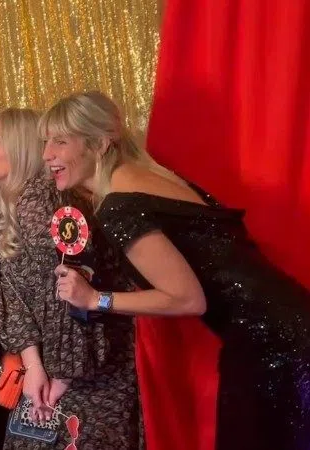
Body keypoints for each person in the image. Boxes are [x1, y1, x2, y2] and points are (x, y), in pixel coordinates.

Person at [42, 91, 310, 449]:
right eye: (46, 142)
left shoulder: (119, 206)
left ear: (100, 143)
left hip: (274, 346)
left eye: (60, 141)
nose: (47, 154)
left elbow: (188, 299)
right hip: (287, 326)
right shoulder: (145, 178)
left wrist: (95, 300)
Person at [0, 108, 142, 449]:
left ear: (22, 148)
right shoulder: (16, 204)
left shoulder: (43, 200)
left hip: (87, 372)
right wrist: (34, 366)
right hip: (53, 368)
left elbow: (71, 292)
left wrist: (60, 377)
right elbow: (16, 299)